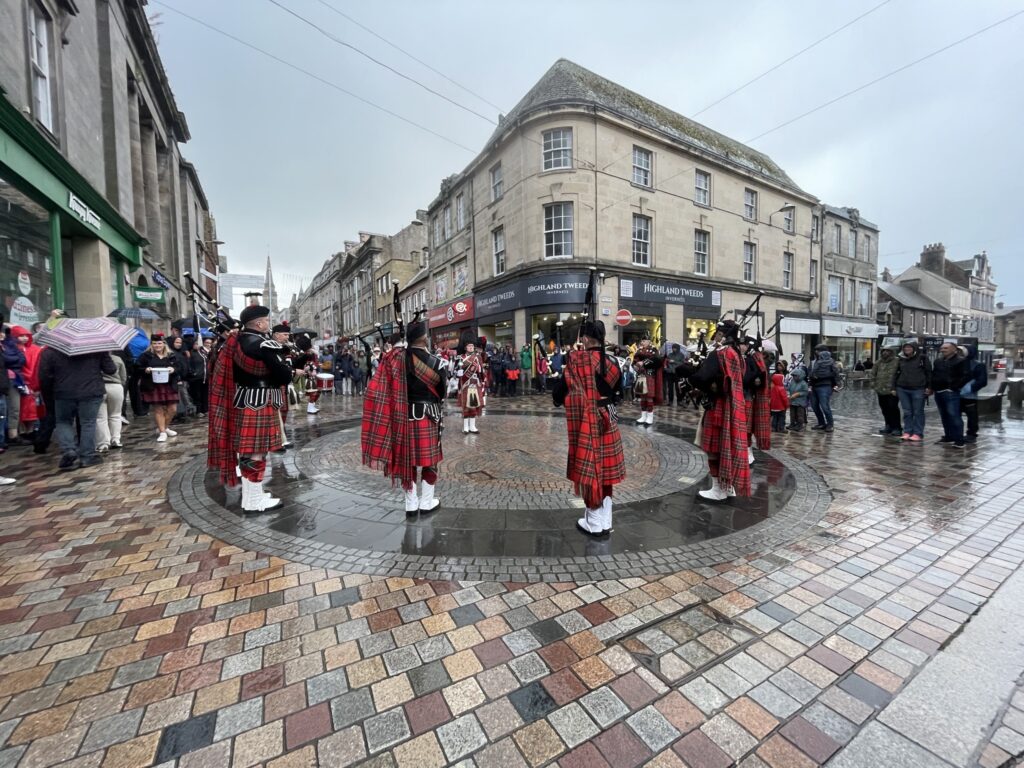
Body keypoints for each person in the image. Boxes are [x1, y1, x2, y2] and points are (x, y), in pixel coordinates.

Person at [208, 304, 293, 513]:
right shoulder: (263, 345)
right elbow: (284, 375)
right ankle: (254, 501)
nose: (268, 323)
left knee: (248, 452)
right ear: (259, 323)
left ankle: (251, 495)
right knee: (257, 452)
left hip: (243, 398)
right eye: (266, 319)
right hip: (261, 400)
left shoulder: (236, 342)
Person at [361, 316, 447, 515]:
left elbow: (382, 385)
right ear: (424, 338)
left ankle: (410, 503)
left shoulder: (397, 360)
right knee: (429, 461)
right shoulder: (437, 363)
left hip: (404, 417)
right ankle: (426, 502)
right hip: (428, 417)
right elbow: (442, 393)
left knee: (406, 462)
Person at [552, 319, 625, 537]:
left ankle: (594, 522)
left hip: (588, 421)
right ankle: (605, 520)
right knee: (605, 471)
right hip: (608, 419)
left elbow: (559, 393)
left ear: (584, 338)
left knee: (590, 469)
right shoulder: (614, 361)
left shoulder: (577, 361)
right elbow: (619, 391)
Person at [688, 320, 750, 500]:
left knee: (714, 449)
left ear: (722, 335)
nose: (715, 337)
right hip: (733, 406)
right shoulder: (737, 355)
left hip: (717, 407)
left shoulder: (720, 353)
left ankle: (718, 489)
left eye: (717, 334)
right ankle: (728, 486)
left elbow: (702, 377)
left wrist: (690, 376)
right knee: (727, 447)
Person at [38, 345, 115, 470]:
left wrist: (49, 394)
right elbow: (111, 369)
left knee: (63, 422)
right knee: (88, 423)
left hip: (63, 392)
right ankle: (87, 456)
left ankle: (69, 450)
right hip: (91, 391)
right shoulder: (96, 347)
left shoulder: (51, 350)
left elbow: (44, 376)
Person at [137, 334, 184, 442]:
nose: (157, 345)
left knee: (172, 409)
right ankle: (162, 432)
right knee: (158, 409)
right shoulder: (146, 356)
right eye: (154, 343)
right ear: (151, 344)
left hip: (169, 384)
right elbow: (137, 368)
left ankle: (164, 427)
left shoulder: (171, 355)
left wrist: (173, 369)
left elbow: (179, 367)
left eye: (159, 343)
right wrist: (145, 369)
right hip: (153, 385)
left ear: (164, 344)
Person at [932, 341, 969, 448]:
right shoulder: (938, 361)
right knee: (944, 416)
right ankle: (949, 436)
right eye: (942, 348)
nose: (943, 350)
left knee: (954, 415)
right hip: (938, 391)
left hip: (951, 392)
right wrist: (932, 387)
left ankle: (959, 440)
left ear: (954, 349)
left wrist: (954, 387)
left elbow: (965, 376)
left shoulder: (961, 361)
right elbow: (935, 375)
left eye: (946, 348)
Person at [894, 339, 932, 443]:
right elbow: (896, 373)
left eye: (909, 347)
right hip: (902, 388)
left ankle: (918, 433)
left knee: (918, 412)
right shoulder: (900, 358)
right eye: (905, 347)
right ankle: (907, 431)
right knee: (907, 412)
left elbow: (929, 373)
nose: (907, 349)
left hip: (918, 388)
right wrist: (894, 386)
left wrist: (929, 387)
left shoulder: (922, 358)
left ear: (914, 348)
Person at [743, 335, 771, 462]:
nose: (743, 346)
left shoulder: (754, 358)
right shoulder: (753, 357)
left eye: (745, 344)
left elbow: (758, 380)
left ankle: (748, 453)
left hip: (748, 396)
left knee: (746, 429)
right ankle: (747, 452)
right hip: (748, 396)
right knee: (745, 428)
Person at [95, 353, 127, 452]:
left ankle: (103, 443)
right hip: (116, 387)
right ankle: (116, 439)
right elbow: (123, 376)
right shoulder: (117, 358)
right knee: (116, 415)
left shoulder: (93, 359)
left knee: (101, 418)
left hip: (99, 387)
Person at [455, 333, 486, 434]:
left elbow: (481, 372)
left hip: (475, 383)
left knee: (474, 405)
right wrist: (457, 372)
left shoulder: (477, 358)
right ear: (465, 347)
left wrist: (481, 371)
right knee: (466, 406)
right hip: (465, 384)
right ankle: (465, 427)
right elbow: (455, 371)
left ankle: (472, 426)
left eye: (472, 346)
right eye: (469, 346)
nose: (471, 347)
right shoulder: (461, 358)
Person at [870, 347, 902, 436]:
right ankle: (888, 425)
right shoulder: (878, 362)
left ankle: (896, 427)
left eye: (888, 351)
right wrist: (873, 384)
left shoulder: (897, 361)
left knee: (893, 408)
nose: (885, 352)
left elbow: (901, 373)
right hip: (880, 389)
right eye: (884, 351)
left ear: (892, 352)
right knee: (884, 409)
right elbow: (873, 373)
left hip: (892, 390)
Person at [959, 346, 988, 443]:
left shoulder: (978, 365)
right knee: (954, 415)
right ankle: (956, 433)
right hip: (956, 394)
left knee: (972, 415)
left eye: (961, 351)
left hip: (969, 395)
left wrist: (970, 388)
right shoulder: (957, 363)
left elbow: (982, 381)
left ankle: (971, 434)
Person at [632, 338, 663, 425]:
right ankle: (643, 416)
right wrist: (635, 365)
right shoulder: (639, 350)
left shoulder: (654, 350)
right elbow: (635, 360)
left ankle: (650, 417)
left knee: (649, 396)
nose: (642, 342)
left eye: (644, 341)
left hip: (650, 375)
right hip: (641, 375)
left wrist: (644, 362)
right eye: (642, 341)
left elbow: (657, 361)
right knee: (642, 396)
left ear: (649, 341)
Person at [808, 345, 838, 433]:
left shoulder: (830, 361)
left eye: (818, 350)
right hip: (814, 385)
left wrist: (835, 385)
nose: (816, 352)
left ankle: (830, 424)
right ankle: (821, 423)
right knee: (814, 406)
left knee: (825, 406)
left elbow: (835, 373)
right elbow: (810, 372)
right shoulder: (814, 362)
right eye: (816, 350)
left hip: (825, 386)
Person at [786, 367, 808, 432]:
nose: (794, 377)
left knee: (799, 414)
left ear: (800, 376)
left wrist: (798, 394)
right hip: (792, 401)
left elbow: (805, 392)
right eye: (793, 376)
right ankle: (792, 423)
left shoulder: (803, 383)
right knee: (792, 413)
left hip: (800, 402)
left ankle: (800, 425)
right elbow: (789, 388)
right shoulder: (792, 382)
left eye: (796, 376)